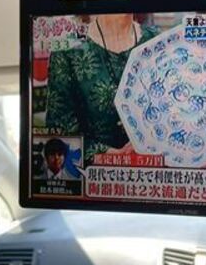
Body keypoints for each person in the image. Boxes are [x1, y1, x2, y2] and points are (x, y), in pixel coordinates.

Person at [45, 13, 158, 161]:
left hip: (153, 169)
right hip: (92, 171)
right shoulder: (68, 47)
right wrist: (111, 156)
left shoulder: (156, 41)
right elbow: (59, 133)